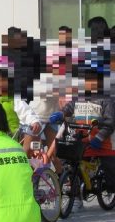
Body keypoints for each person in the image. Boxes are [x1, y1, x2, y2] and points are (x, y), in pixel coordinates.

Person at [48, 68, 115, 210]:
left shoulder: (107, 100)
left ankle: (110, 189)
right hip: (80, 141)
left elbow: (110, 124)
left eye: (92, 80)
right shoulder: (78, 99)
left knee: (110, 168)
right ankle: (76, 197)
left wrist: (99, 138)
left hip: (101, 143)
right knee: (71, 165)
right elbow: (68, 109)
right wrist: (60, 114)